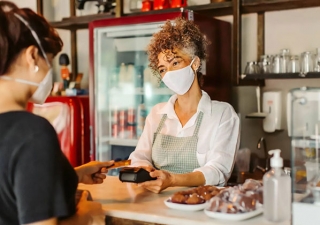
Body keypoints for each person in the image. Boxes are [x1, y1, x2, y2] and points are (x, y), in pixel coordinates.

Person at [0, 1, 114, 225]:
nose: (51, 73)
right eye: (49, 60)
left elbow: (12, 186)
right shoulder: (31, 132)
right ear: (32, 56)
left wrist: (74, 175)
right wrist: (88, 214)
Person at [129, 17, 240, 193]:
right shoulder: (157, 114)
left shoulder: (223, 114)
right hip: (155, 205)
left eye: (175, 63)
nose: (169, 73)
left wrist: (173, 180)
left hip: (200, 206)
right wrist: (145, 171)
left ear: (195, 63)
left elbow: (219, 170)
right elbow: (140, 156)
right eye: (163, 69)